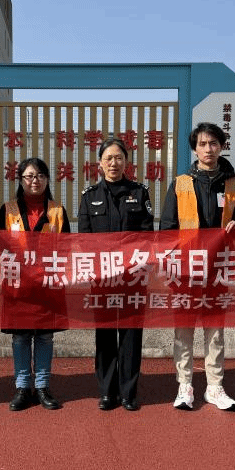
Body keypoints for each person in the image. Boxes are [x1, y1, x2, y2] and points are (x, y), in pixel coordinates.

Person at [159, 122, 235, 411]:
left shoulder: (234, 186)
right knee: (184, 330)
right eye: (202, 144)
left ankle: (214, 386)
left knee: (215, 330)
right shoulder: (180, 183)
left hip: (218, 269)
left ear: (222, 146)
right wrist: (171, 266)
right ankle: (184, 385)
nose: (208, 149)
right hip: (186, 270)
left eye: (213, 143)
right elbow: (167, 229)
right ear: (194, 149)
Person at [78, 138, 154, 411]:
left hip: (132, 276)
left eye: (119, 158)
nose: (114, 163)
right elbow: (84, 238)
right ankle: (107, 392)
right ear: (99, 163)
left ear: (126, 162)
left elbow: (146, 234)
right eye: (108, 158)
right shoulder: (89, 196)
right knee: (105, 335)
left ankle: (128, 392)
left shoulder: (140, 193)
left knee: (131, 334)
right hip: (102, 278)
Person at [0, 157, 71, 411]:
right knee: (20, 337)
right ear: (20, 180)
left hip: (47, 282)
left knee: (45, 336)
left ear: (47, 179)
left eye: (40, 175)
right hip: (17, 284)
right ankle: (22, 387)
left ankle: (42, 386)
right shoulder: (8, 210)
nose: (34, 180)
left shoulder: (57, 210)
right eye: (29, 176)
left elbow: (66, 247)